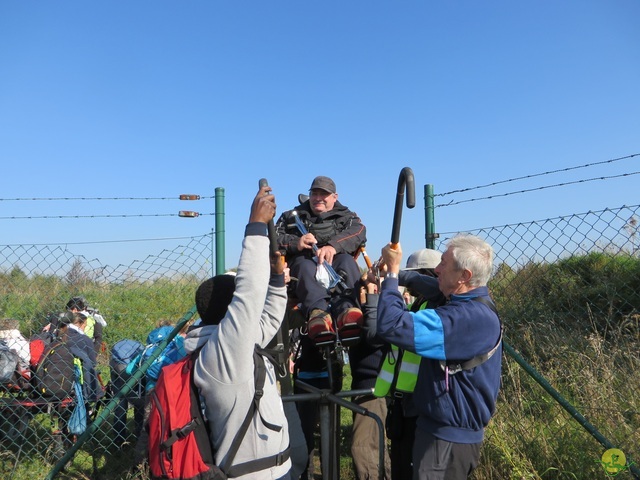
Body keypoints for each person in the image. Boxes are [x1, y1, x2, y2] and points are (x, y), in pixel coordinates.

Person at [184, 184, 291, 479]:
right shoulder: (221, 354)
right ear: (229, 312)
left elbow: (269, 319)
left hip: (273, 469)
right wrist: (256, 227)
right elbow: (250, 293)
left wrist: (278, 277)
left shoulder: (233, 349)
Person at [376, 235, 502, 480]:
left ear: (464, 276)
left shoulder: (467, 318)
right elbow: (432, 286)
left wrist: (391, 274)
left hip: (447, 441)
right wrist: (399, 275)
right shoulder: (467, 300)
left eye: (443, 264)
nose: (436, 269)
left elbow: (391, 325)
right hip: (439, 432)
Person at [373, 248, 445, 480]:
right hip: (403, 405)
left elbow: (429, 287)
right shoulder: (418, 304)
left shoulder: (439, 302)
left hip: (421, 406)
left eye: (418, 276)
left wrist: (396, 274)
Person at [275, 176, 367, 344]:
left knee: (347, 261)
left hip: (337, 262)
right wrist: (297, 243)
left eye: (323, 194)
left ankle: (348, 313)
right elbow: (273, 237)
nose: (318, 198)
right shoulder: (290, 216)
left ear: (334, 197)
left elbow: (359, 231)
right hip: (303, 267)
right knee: (303, 265)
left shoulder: (348, 216)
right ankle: (318, 315)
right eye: (314, 193)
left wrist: (333, 246)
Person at [348, 275, 392, 479]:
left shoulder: (379, 316)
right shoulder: (368, 314)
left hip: (373, 390)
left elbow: (372, 338)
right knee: (374, 448)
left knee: (363, 449)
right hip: (368, 388)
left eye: (368, 290)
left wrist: (372, 299)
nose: (364, 294)